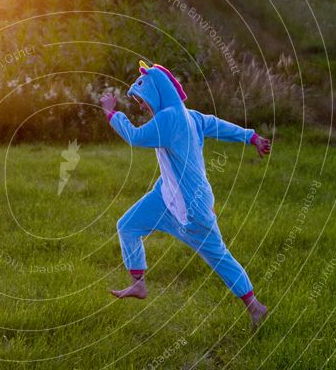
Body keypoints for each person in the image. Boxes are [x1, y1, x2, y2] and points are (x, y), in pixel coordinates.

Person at [100, 61, 271, 328]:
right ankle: (139, 284)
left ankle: (255, 307)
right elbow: (218, 125)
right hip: (165, 197)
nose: (142, 106)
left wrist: (112, 114)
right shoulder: (188, 115)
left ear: (155, 93)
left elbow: (134, 137)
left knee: (218, 256)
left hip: (193, 208)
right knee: (128, 226)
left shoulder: (170, 119)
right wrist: (252, 137)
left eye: (142, 100)